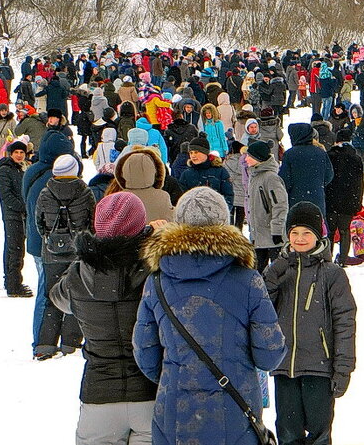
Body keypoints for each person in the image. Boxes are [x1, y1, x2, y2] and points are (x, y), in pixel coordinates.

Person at [133, 186, 286, 445]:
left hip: (174, 414)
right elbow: (270, 354)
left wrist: (179, 371)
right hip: (235, 413)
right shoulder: (248, 281)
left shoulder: (157, 282)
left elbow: (145, 354)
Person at [50, 192, 159, 445]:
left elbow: (58, 299)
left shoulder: (78, 275)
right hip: (149, 393)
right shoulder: (156, 270)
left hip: (99, 395)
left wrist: (85, 259)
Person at [263, 202, 357, 445]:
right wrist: (274, 274)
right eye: (294, 233)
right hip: (285, 367)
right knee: (288, 434)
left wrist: (343, 367)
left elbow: (345, 322)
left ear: (318, 235)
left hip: (319, 367)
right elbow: (261, 309)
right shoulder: (280, 270)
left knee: (319, 434)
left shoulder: (332, 273)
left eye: (307, 233)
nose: (300, 239)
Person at [35, 153, 95, 360]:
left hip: (52, 252)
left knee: (51, 297)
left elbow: (39, 222)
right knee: (76, 296)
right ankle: (70, 342)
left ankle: (45, 343)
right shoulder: (85, 192)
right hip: (77, 252)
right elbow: (92, 221)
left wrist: (50, 237)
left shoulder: (45, 193)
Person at [245, 139, 289, 272]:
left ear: (258, 158)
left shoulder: (270, 178)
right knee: (258, 273)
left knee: (277, 273)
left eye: (249, 156)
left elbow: (280, 205)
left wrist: (276, 230)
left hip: (272, 236)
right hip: (259, 237)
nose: (246, 159)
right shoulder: (255, 176)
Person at [0, 140, 33, 298]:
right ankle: (14, 284)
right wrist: (23, 207)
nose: (19, 155)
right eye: (16, 152)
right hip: (13, 215)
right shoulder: (6, 169)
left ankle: (11, 280)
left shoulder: (21, 169)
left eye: (22, 153)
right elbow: (6, 194)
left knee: (13, 248)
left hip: (19, 214)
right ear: (10, 154)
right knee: (16, 249)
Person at [324, 129, 363, 266]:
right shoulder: (356, 158)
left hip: (331, 199)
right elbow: (359, 183)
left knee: (330, 231)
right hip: (349, 200)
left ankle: (328, 259)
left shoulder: (329, 156)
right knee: (345, 231)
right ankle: (343, 260)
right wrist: (358, 202)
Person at [108, 145, 175, 224]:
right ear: (155, 172)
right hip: (156, 235)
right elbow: (171, 221)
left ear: (123, 172)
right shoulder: (163, 196)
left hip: (127, 236)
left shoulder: (118, 198)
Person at [279, 122, 334, 217]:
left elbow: (284, 179)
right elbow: (329, 175)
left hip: (296, 198)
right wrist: (317, 184)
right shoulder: (321, 152)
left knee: (299, 226)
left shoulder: (290, 154)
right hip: (317, 198)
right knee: (316, 227)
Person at [178, 137, 235, 209]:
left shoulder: (220, 171)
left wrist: (221, 213)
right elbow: (182, 198)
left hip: (216, 217)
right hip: (192, 217)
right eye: (191, 153)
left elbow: (228, 196)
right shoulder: (186, 174)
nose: (193, 156)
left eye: (196, 152)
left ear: (205, 153)